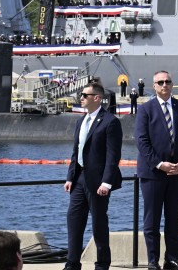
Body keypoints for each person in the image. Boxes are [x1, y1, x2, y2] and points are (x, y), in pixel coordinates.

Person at [135, 71, 178, 270]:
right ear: (154, 86)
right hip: (153, 174)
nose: (164, 85)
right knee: (152, 221)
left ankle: (171, 259)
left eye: (167, 82)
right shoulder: (145, 109)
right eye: (160, 82)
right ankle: (152, 261)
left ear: (172, 85)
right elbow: (142, 142)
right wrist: (160, 164)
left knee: (174, 220)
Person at [64, 83, 123, 270]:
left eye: (84, 95)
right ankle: (72, 264)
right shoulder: (81, 121)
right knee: (74, 221)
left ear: (96, 98)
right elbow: (76, 151)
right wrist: (70, 177)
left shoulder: (110, 122)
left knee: (98, 224)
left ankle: (102, 265)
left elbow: (113, 156)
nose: (80, 98)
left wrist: (106, 182)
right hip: (79, 179)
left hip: (98, 182)